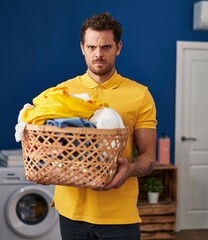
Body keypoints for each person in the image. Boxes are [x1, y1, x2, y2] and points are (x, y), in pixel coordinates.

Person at [52, 12, 157, 240]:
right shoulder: (63, 92)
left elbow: (148, 157)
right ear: (82, 48)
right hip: (72, 211)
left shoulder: (140, 95)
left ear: (118, 47)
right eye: (91, 47)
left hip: (119, 216)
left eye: (106, 47)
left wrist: (129, 168)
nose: (98, 54)